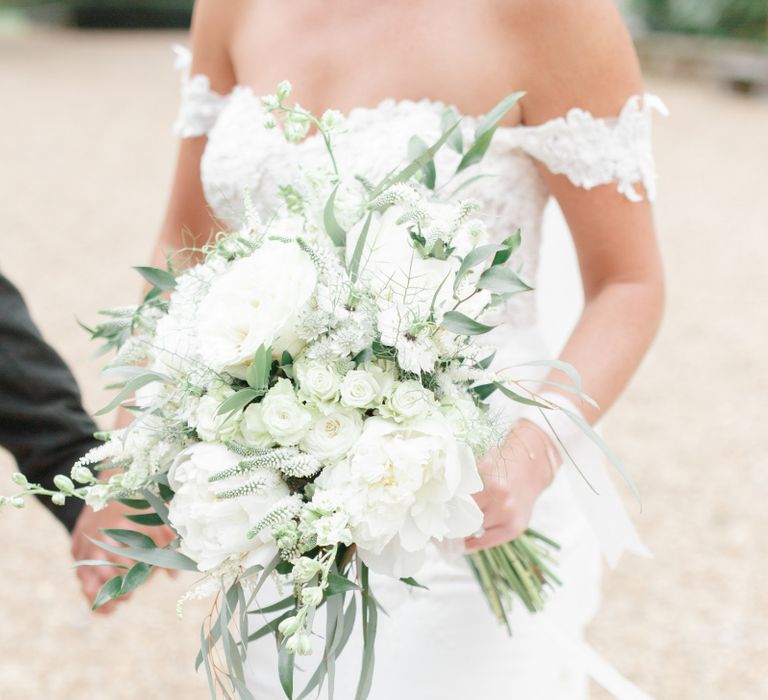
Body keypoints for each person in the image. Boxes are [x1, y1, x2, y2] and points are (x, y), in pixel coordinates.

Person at [88, 0, 666, 696]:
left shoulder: (549, 13)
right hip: (275, 498)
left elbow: (629, 283)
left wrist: (534, 450)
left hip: (468, 495)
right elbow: (184, 244)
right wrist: (127, 460)